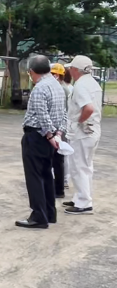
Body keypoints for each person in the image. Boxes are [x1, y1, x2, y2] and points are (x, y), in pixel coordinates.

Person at [16, 56, 67, 229]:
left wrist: (50, 136)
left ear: (31, 71)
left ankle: (39, 216)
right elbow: (63, 114)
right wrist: (58, 134)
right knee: (46, 175)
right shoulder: (57, 86)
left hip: (37, 136)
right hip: (50, 137)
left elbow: (42, 115)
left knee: (34, 177)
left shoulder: (40, 88)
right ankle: (49, 212)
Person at [63, 55, 102, 215]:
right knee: (86, 166)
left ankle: (84, 203)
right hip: (93, 129)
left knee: (78, 166)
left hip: (83, 131)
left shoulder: (80, 86)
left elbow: (88, 108)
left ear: (75, 70)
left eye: (71, 68)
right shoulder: (93, 83)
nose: (70, 71)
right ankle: (81, 197)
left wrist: (80, 121)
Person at [50, 63, 70, 198]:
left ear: (56, 75)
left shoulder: (60, 89)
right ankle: (60, 185)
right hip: (61, 127)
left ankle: (59, 188)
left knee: (57, 158)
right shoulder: (64, 88)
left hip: (59, 128)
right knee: (59, 158)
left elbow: (62, 111)